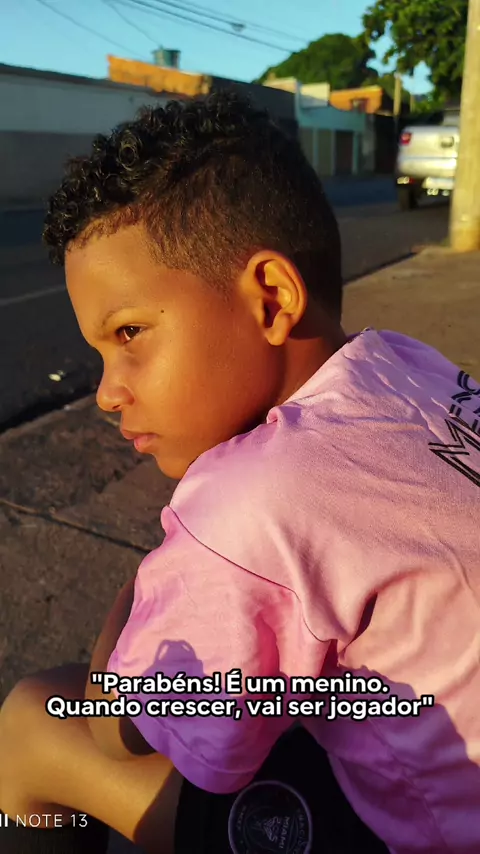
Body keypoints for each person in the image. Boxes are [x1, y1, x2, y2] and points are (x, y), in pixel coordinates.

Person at [0, 90, 479, 854]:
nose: (107, 392)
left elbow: (119, 727)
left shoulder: (252, 504)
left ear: (272, 298)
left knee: (34, 720)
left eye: (130, 333)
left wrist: (143, 592)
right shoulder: (402, 363)